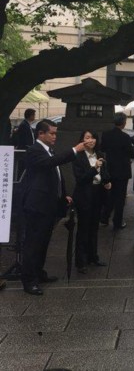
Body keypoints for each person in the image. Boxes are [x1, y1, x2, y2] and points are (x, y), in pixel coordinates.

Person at [20, 119, 87, 295]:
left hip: (49, 204)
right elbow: (50, 164)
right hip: (37, 205)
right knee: (33, 244)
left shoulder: (49, 151)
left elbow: (55, 176)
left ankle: (39, 272)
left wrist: (63, 194)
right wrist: (74, 150)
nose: (54, 136)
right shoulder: (34, 150)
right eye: (52, 133)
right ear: (41, 134)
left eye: (56, 133)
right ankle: (29, 280)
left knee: (43, 242)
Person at [72, 130, 111, 274]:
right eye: (87, 137)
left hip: (98, 194)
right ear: (82, 140)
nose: (91, 140)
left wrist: (107, 182)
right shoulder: (78, 157)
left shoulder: (100, 155)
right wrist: (94, 169)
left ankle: (93, 256)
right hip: (84, 195)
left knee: (94, 227)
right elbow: (81, 179)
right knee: (83, 228)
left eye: (93, 137)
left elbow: (105, 174)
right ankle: (80, 261)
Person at [100, 112, 134, 230]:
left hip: (110, 168)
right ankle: (117, 221)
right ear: (123, 122)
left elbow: (102, 148)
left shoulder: (106, 134)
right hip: (122, 171)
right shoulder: (125, 137)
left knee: (111, 195)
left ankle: (104, 217)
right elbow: (131, 153)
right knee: (120, 198)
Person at [14, 108, 36, 178]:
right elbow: (24, 139)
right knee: (22, 167)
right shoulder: (24, 125)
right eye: (34, 115)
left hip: (27, 149)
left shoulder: (26, 124)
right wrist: (29, 147)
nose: (34, 116)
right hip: (24, 149)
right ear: (30, 116)